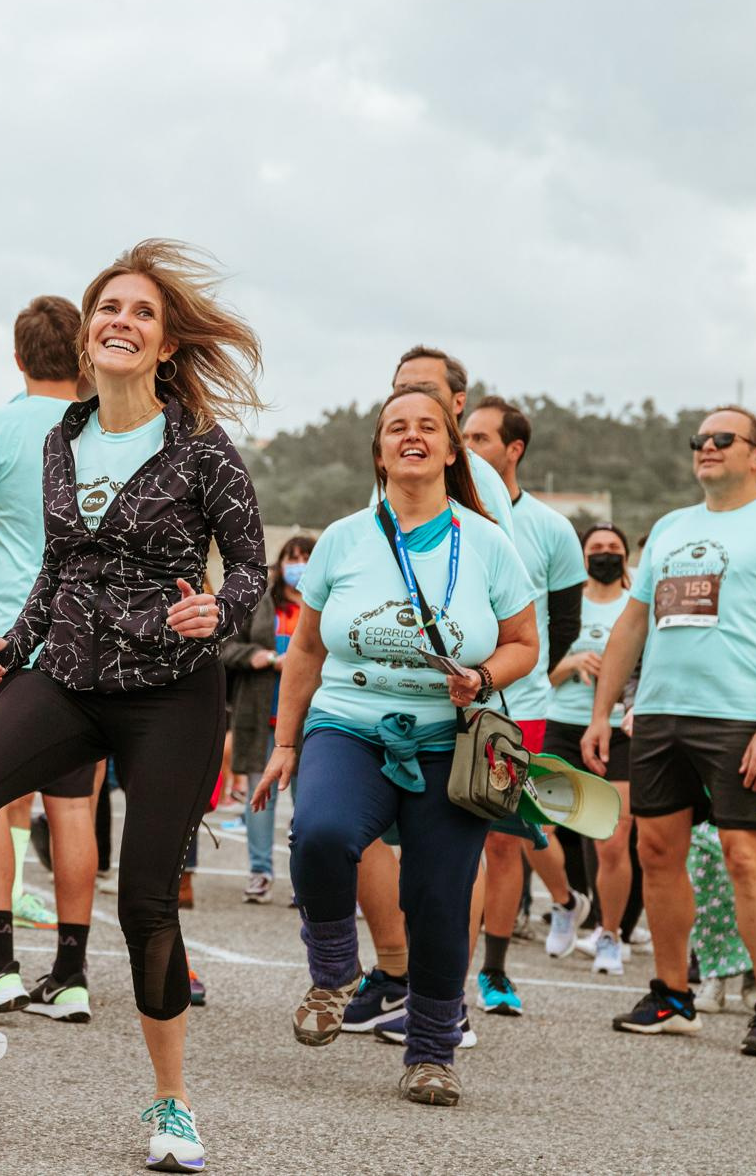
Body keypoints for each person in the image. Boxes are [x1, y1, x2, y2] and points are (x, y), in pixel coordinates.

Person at [0, 239, 265, 1175]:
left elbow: (247, 563)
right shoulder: (61, 437)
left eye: (141, 313)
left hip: (171, 693)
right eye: (108, 309)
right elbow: (61, 564)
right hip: (71, 677)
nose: (120, 321)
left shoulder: (200, 446)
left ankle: (171, 1103)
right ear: (86, 336)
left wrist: (221, 607)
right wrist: (17, 637)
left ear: (166, 345)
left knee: (147, 905)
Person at [259, 384, 536, 1108]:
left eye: (427, 427)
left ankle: (433, 1051)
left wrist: (481, 675)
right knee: (318, 834)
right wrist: (286, 743)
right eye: (394, 428)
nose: (410, 436)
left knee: (439, 895)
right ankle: (333, 973)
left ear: (451, 448)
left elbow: (525, 645)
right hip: (348, 723)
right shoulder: (344, 539)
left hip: (449, 739)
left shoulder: (487, 543)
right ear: (379, 453)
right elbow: (308, 647)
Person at [584, 405, 756, 1059]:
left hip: (739, 717)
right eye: (700, 439)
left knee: (746, 856)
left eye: (725, 438)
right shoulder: (669, 527)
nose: (708, 447)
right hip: (661, 712)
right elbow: (630, 626)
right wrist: (602, 712)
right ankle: (671, 994)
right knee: (656, 853)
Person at [0, 294, 103, 1021]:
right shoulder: (107, 430)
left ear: (17, 357)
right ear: (85, 356)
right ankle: (70, 973)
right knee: (75, 808)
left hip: (5, 631)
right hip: (87, 640)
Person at [462, 396, 589, 1015]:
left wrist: (524, 671)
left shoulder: (552, 528)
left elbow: (565, 622)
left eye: (481, 438)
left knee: (502, 842)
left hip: (519, 702)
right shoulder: (445, 516)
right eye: (465, 437)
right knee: (448, 837)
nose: (469, 449)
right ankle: (431, 973)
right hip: (449, 698)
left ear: (513, 450)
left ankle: (494, 971)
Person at [545, 523, 640, 975]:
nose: (605, 554)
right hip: (560, 724)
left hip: (619, 732)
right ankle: (566, 902)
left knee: (614, 838)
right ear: (582, 557)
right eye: (596, 548)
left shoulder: (635, 607)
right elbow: (534, 672)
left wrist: (630, 698)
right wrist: (572, 663)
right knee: (537, 830)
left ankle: (610, 934)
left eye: (613, 548)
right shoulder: (567, 608)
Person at [222, 535, 314, 905]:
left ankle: (305, 880)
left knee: (309, 804)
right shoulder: (262, 604)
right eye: (292, 558)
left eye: (306, 557)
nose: (298, 564)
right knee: (260, 798)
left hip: (310, 720)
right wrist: (255, 656)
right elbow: (224, 646)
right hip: (262, 718)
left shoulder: (325, 602)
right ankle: (260, 873)